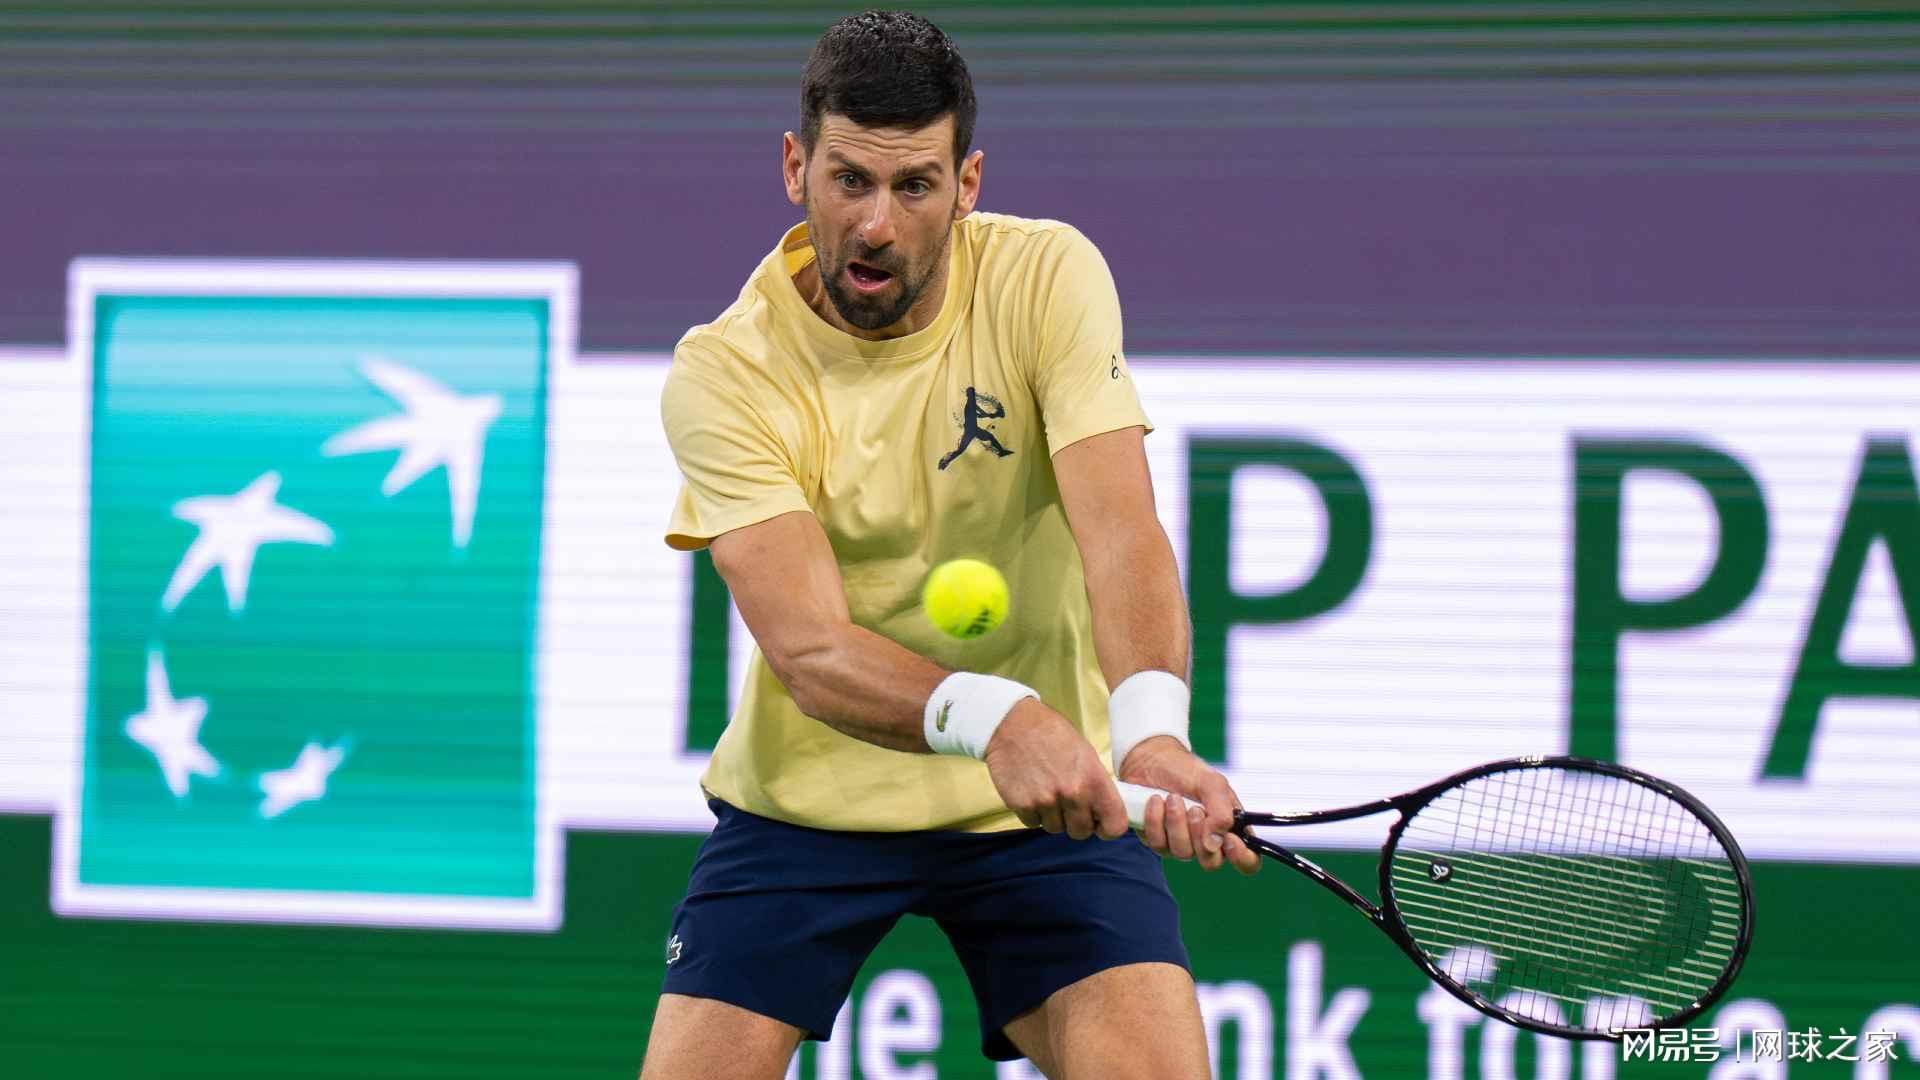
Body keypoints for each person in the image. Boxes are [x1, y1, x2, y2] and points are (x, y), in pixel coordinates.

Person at [643, 11, 1259, 1079]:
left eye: (916, 185)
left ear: (967, 183)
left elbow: (1121, 531)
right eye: (849, 181)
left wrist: (1151, 733)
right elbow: (810, 651)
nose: (877, 224)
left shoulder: (1046, 276)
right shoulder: (726, 372)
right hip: (810, 807)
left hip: (1047, 813)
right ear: (795, 168)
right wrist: (1000, 717)